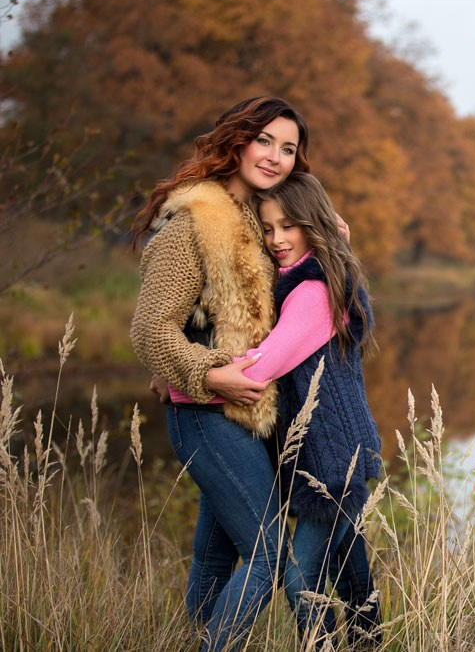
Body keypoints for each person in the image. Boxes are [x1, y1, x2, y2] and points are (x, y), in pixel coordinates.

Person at [130, 96, 307, 651]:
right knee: (268, 553)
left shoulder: (262, 221)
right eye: (265, 141)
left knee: (215, 554)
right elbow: (151, 328)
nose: (275, 156)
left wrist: (331, 238)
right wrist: (209, 374)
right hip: (206, 413)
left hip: (247, 414)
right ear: (237, 141)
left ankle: (192, 640)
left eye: (288, 149)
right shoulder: (195, 221)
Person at [240, 171, 382, 648]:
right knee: (351, 572)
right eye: (267, 228)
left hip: (331, 462)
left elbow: (260, 368)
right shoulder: (316, 276)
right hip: (332, 454)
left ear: (312, 224)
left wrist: (186, 377)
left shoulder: (311, 291)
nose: (277, 239)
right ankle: (369, 643)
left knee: (301, 579)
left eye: (289, 226)